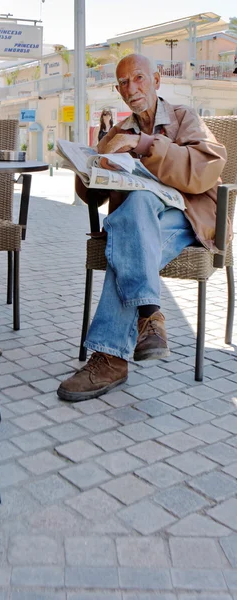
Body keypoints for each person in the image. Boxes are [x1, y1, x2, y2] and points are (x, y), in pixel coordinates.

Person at [58, 53, 228, 403]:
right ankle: (150, 317)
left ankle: (109, 357)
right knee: (134, 212)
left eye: (138, 78)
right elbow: (94, 197)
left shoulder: (185, 118)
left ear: (157, 79)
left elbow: (205, 168)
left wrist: (143, 144)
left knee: (126, 235)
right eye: (122, 82)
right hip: (140, 222)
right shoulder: (117, 131)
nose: (131, 88)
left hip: (187, 220)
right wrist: (89, 166)